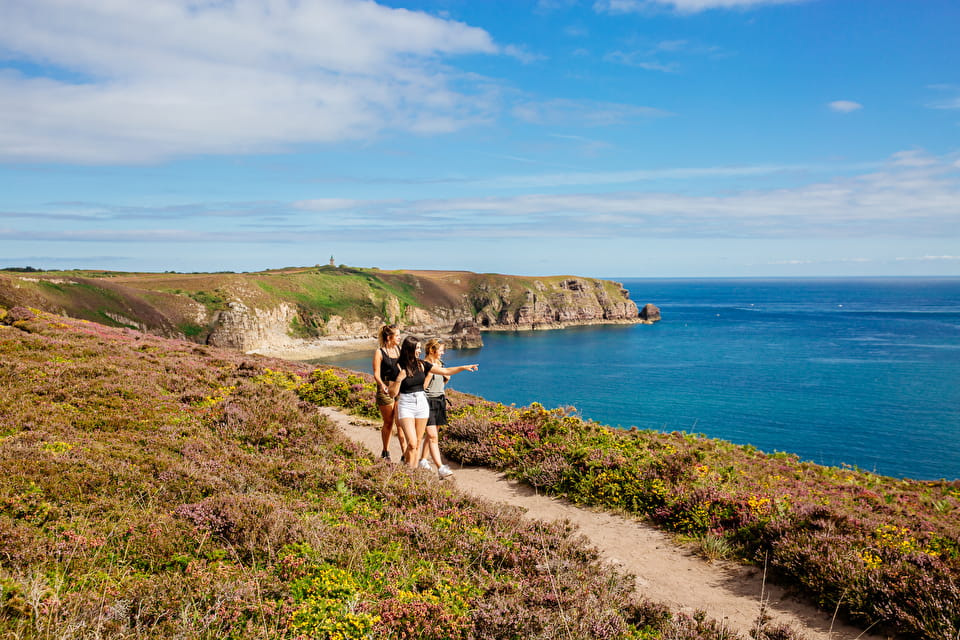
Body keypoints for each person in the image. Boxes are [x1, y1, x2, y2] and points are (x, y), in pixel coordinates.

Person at [389, 336, 477, 470]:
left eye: (419, 348)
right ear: (409, 349)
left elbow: (445, 371)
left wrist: (463, 367)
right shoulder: (397, 366)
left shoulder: (421, 364)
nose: (419, 351)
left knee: (417, 443)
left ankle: (411, 473)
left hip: (422, 405)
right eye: (417, 348)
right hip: (406, 405)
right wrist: (399, 379)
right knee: (412, 444)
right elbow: (392, 393)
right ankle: (407, 470)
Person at [419, 338, 456, 479]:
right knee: (433, 436)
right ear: (432, 351)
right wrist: (429, 375)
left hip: (440, 400)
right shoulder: (424, 365)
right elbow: (421, 387)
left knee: (433, 434)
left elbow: (443, 380)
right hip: (428, 402)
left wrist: (445, 378)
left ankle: (423, 460)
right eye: (440, 350)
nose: (443, 353)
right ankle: (441, 468)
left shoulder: (439, 363)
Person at [372, 324, 405, 460]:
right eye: (397, 335)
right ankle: (386, 452)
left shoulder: (399, 350)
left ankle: (405, 454)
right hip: (385, 389)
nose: (399, 338)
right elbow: (376, 374)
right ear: (389, 337)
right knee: (389, 422)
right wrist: (381, 385)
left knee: (401, 423)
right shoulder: (379, 352)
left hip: (398, 388)